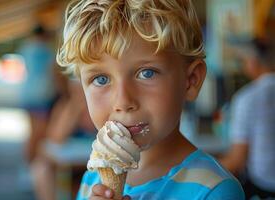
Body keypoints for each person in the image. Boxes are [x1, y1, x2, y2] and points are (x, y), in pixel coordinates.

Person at [56, 0, 245, 199]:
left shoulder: (214, 190)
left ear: (190, 81)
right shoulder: (92, 182)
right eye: (100, 79)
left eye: (147, 73)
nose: (123, 101)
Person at [220, 38, 275, 199]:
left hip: (264, 187)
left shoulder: (247, 98)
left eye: (242, 61)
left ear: (253, 62)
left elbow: (237, 161)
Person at [17, 25, 59, 163]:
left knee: (31, 131)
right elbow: (54, 72)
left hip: (27, 92)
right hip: (42, 95)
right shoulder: (46, 50)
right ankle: (34, 164)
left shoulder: (26, 48)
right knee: (39, 133)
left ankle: (29, 163)